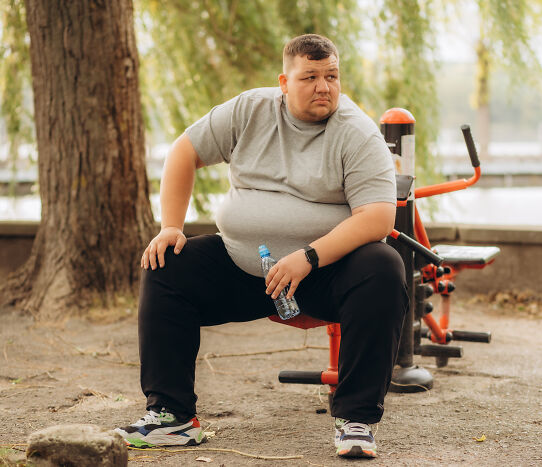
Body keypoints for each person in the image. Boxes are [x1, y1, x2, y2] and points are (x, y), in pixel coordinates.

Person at [114, 34, 408, 459]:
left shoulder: (357, 132)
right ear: (284, 82)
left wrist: (308, 257)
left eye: (331, 76)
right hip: (243, 267)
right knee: (165, 263)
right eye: (309, 77)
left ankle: (356, 420)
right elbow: (183, 152)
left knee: (383, 265)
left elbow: (378, 218)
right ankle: (172, 417)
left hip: (323, 275)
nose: (324, 86)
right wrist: (171, 227)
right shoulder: (249, 110)